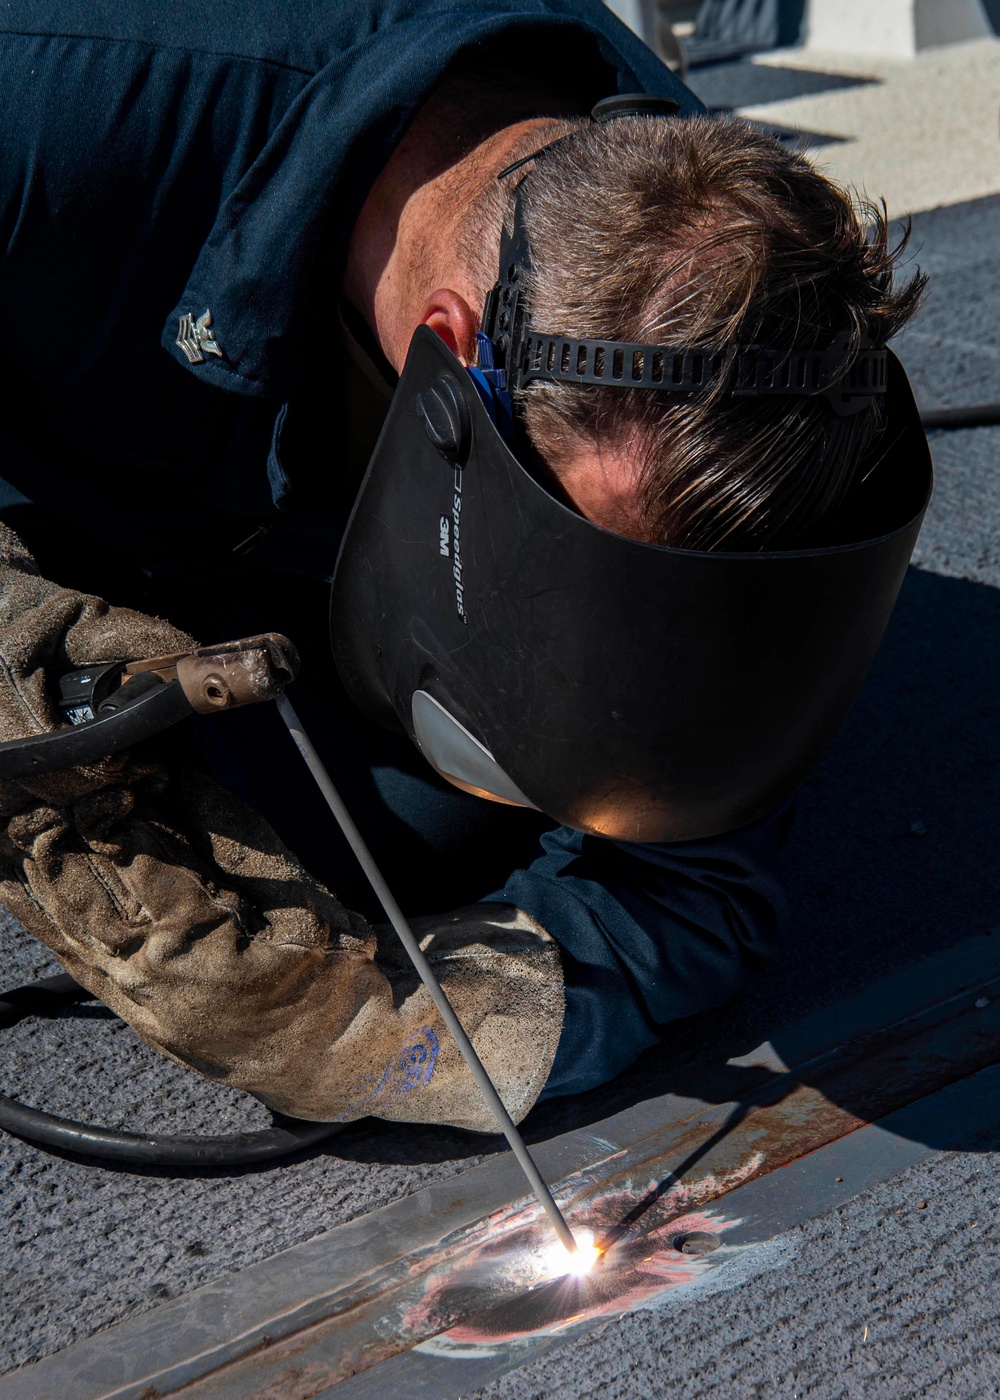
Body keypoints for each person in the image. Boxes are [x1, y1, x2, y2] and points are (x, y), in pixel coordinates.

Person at [0, 1, 924, 1132]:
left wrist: (408, 1037)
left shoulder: (723, 269)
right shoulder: (53, 117)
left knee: (416, 838)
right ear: (448, 351)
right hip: (53, 452)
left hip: (259, 520)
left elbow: (690, 880)